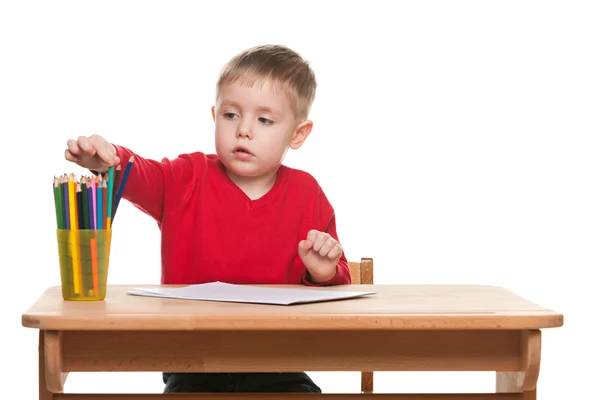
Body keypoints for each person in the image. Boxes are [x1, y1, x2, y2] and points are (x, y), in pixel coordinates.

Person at [63, 44, 351, 393]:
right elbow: (139, 173)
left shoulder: (308, 194)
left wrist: (322, 271)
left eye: (264, 120)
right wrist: (109, 159)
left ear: (298, 133)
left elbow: (339, 285)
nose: (244, 130)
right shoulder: (187, 176)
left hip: (279, 364)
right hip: (192, 363)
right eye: (231, 115)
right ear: (215, 116)